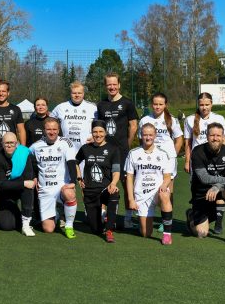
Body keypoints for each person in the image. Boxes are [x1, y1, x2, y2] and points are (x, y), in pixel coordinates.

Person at [186, 123, 225, 246]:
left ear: (223, 137)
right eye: (212, 135)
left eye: (218, 135)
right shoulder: (198, 151)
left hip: (220, 190)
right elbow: (204, 178)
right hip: (201, 194)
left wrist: (217, 186)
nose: (215, 138)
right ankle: (191, 215)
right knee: (201, 233)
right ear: (207, 136)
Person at [95, 73, 138, 228]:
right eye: (109, 85)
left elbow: (133, 126)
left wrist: (126, 144)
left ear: (119, 85)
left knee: (127, 183)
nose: (112, 87)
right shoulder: (101, 105)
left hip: (122, 151)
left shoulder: (127, 103)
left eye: (114, 84)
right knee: (103, 183)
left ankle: (128, 218)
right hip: (106, 151)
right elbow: (99, 127)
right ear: (105, 86)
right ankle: (103, 216)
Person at [138, 93, 183, 232]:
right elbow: (141, 140)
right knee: (148, 186)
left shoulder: (172, 120)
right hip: (150, 160)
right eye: (155, 104)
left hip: (168, 161)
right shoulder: (145, 120)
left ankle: (166, 220)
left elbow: (179, 139)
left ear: (165, 105)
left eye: (160, 104)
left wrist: (172, 155)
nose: (157, 107)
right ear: (151, 104)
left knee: (167, 191)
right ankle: (146, 215)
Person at [184, 92, 225, 234]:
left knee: (220, 191)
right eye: (201, 104)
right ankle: (194, 214)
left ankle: (218, 223)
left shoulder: (219, 118)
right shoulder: (190, 120)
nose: (204, 107)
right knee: (199, 195)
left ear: (211, 104)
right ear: (198, 105)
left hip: (216, 163)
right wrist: (187, 161)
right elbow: (188, 143)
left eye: (207, 104)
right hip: (198, 164)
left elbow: (224, 141)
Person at [125, 123, 174, 245]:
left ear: (155, 135)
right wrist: (131, 199)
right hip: (142, 195)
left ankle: (167, 234)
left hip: (157, 192)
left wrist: (164, 185)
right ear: (140, 135)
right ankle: (142, 222)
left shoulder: (163, 154)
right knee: (146, 233)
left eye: (150, 135)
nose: (148, 137)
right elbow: (129, 177)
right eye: (145, 135)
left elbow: (167, 176)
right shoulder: (133, 153)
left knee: (165, 195)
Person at [29, 118, 78, 238]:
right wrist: (33, 177)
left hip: (61, 186)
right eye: (49, 129)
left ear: (59, 129)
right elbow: (28, 162)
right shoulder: (35, 146)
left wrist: (73, 182)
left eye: (55, 129)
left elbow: (72, 163)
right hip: (45, 189)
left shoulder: (66, 143)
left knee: (69, 193)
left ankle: (69, 225)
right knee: (48, 229)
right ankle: (57, 213)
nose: (52, 132)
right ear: (44, 130)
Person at [75, 120, 121, 243]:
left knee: (114, 193)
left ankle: (109, 229)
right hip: (90, 190)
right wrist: (79, 178)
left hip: (106, 188)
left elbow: (116, 170)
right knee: (96, 229)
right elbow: (75, 162)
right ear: (91, 132)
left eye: (101, 131)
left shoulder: (113, 149)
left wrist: (113, 183)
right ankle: (101, 218)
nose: (98, 134)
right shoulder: (85, 148)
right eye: (95, 132)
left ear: (105, 133)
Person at [0, 132, 35, 236]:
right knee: (8, 226)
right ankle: (15, 213)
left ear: (17, 144)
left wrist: (26, 182)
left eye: (12, 143)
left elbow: (28, 178)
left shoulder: (24, 154)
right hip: (4, 194)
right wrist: (23, 183)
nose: (9, 145)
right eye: (6, 143)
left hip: (20, 190)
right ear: (2, 144)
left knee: (28, 187)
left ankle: (26, 224)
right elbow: (1, 184)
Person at [51, 81, 97, 152]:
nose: (77, 95)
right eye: (74, 93)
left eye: (79, 93)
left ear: (83, 94)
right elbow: (49, 122)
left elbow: (100, 125)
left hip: (86, 148)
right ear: (70, 94)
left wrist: (95, 137)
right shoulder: (61, 107)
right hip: (65, 148)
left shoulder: (92, 108)